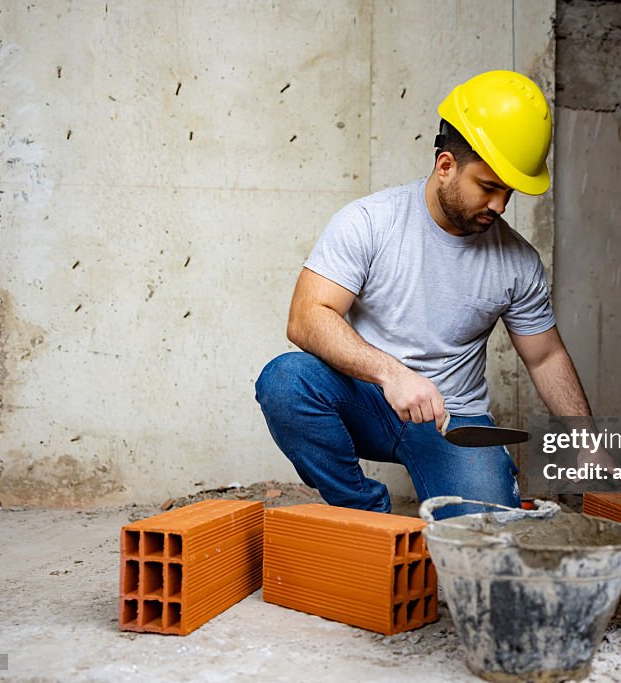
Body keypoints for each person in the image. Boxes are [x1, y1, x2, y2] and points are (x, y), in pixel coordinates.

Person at [255, 70, 599, 516]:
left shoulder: (518, 262)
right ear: (446, 166)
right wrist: (392, 375)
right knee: (286, 380)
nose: (499, 206)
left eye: (509, 192)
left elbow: (545, 356)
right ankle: (367, 515)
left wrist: (590, 444)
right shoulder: (369, 222)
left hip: (453, 423)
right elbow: (307, 318)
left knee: (483, 541)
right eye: (489, 187)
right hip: (368, 400)